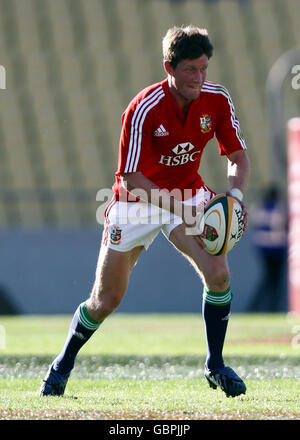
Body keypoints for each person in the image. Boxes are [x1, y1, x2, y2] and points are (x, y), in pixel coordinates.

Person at [40, 25, 250, 398]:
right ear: (169, 67)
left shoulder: (217, 99)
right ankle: (61, 365)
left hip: (186, 193)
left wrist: (234, 195)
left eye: (203, 69)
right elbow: (132, 179)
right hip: (134, 204)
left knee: (219, 274)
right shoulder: (143, 108)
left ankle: (215, 365)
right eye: (190, 69)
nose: (199, 78)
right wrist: (179, 210)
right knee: (106, 301)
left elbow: (237, 156)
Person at [248, 186, 287, 312]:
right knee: (273, 280)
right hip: (277, 248)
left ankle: (258, 306)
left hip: (262, 248)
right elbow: (283, 224)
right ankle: (271, 307)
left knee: (269, 279)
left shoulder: (259, 207)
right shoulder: (278, 208)